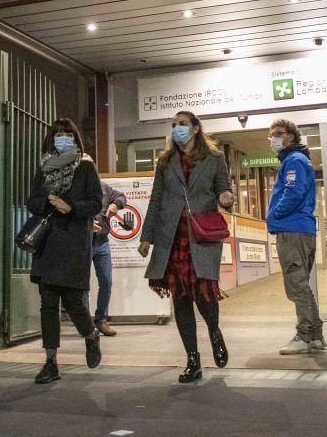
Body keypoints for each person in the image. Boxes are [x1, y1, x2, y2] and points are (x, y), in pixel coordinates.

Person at [138, 111, 234, 383]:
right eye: (173, 125)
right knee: (180, 298)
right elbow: (156, 200)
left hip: (201, 236)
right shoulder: (165, 161)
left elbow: (223, 189)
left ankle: (214, 331)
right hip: (171, 237)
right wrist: (147, 236)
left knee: (205, 294)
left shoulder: (214, 158)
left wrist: (225, 197)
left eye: (182, 124)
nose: (176, 128)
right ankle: (193, 359)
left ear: (195, 128)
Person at [26, 118, 104, 384]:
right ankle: (50, 362)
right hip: (47, 244)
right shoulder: (45, 167)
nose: (62, 138)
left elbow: (96, 202)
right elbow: (32, 201)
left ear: (75, 138)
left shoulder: (85, 166)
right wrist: (49, 203)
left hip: (74, 243)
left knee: (73, 302)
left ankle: (91, 335)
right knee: (48, 304)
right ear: (51, 139)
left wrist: (71, 207)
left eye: (68, 134)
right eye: (58, 134)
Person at [265, 118, 325, 354]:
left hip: (292, 230)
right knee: (302, 285)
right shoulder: (298, 159)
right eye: (271, 134)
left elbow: (294, 192)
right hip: (301, 230)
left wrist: (276, 214)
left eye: (278, 133)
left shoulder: (294, 160)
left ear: (290, 136)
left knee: (296, 286)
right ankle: (316, 336)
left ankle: (304, 336)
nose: (274, 138)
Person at [85, 180, 127, 336]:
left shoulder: (103, 187)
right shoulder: (75, 188)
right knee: (83, 285)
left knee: (106, 282)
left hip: (102, 242)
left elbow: (121, 196)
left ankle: (101, 319)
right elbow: (70, 214)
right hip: (83, 243)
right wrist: (86, 226)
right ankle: (86, 324)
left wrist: (116, 204)